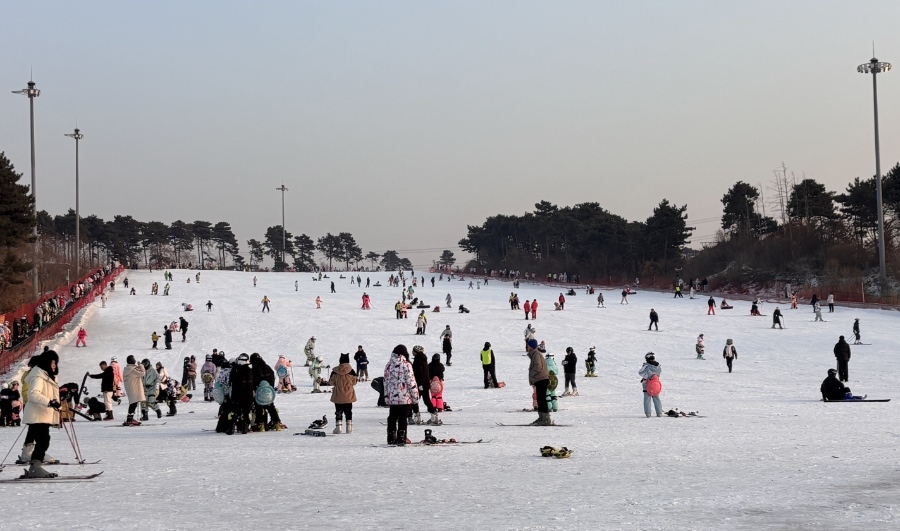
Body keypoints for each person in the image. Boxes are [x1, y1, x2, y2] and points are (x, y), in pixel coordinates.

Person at [22, 350, 61, 478]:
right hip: (37, 415)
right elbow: (33, 394)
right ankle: (35, 467)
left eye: (55, 363)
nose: (54, 365)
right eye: (52, 362)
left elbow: (48, 394)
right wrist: (49, 402)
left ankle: (35, 465)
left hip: (42, 414)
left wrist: (56, 402)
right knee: (43, 440)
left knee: (42, 440)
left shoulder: (47, 376)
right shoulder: (39, 376)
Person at [384, 345, 418, 445]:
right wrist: (415, 396)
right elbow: (411, 382)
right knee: (403, 418)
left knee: (392, 417)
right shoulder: (406, 365)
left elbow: (385, 382)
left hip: (393, 398)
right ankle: (402, 437)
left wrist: (386, 396)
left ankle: (391, 436)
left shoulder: (388, 365)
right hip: (405, 397)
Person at [250, 353, 283, 431]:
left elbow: (253, 381)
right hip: (269, 392)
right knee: (271, 407)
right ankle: (277, 423)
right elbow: (272, 378)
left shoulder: (254, 369)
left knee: (258, 408)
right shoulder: (267, 367)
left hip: (259, 392)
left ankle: (260, 425)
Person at [329, 353, 358, 434]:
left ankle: (339, 428)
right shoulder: (351, 371)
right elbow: (354, 382)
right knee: (348, 411)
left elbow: (331, 382)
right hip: (349, 394)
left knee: (338, 411)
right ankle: (349, 428)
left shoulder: (335, 371)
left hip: (338, 394)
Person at [526, 339, 552, 425]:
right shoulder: (535, 354)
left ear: (531, 346)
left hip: (541, 379)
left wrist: (531, 374)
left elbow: (538, 367)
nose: (527, 347)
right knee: (540, 399)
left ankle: (546, 419)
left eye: (528, 345)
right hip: (540, 379)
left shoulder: (536, 354)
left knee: (542, 399)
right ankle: (541, 417)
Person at [411, 346, 438, 424]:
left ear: (416, 352)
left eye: (413, 351)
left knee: (415, 400)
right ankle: (434, 416)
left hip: (420, 384)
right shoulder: (423, 359)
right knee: (427, 400)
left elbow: (419, 373)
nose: (412, 352)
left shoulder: (418, 360)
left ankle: (417, 417)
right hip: (425, 384)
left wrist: (420, 384)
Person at [229, 353, 255, 434]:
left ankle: (231, 428)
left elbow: (231, 381)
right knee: (246, 412)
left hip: (237, 394)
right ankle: (245, 429)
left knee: (235, 412)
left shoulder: (235, 370)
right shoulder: (249, 370)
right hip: (248, 394)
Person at [122, 355, 146, 426]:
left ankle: (130, 418)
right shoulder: (132, 370)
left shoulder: (127, 369)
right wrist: (141, 366)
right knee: (133, 403)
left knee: (133, 403)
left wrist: (138, 367)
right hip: (134, 389)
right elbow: (143, 373)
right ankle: (130, 419)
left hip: (131, 389)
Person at [639, 352, 663, 418]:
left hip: (647, 384)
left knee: (647, 398)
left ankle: (648, 413)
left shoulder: (646, 366)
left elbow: (641, 372)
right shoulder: (658, 366)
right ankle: (659, 413)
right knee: (656, 398)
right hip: (655, 384)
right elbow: (659, 374)